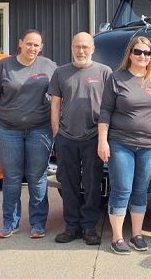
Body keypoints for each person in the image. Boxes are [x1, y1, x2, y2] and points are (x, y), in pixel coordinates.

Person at [97, 36, 151, 254]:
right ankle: (117, 237)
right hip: (121, 143)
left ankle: (137, 235)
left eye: (147, 53)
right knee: (122, 189)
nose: (143, 56)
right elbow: (105, 111)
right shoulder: (117, 78)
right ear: (130, 54)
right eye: (138, 52)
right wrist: (103, 140)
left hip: (150, 145)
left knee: (140, 191)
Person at [0, 29, 58, 239]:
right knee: (12, 178)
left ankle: (37, 223)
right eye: (29, 43)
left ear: (41, 47)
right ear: (20, 43)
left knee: (37, 178)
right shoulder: (4, 65)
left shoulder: (49, 66)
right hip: (7, 130)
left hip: (40, 130)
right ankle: (10, 222)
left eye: (36, 45)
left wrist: (56, 125)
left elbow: (58, 97)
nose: (32, 48)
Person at [49, 32, 113, 245]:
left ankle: (89, 228)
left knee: (93, 184)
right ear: (71, 47)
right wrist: (57, 133)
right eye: (77, 46)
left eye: (85, 47)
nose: (81, 51)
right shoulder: (60, 73)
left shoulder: (104, 72)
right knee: (68, 184)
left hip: (93, 136)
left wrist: (104, 137)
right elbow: (55, 104)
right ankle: (71, 226)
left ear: (93, 48)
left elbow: (109, 106)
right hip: (66, 137)